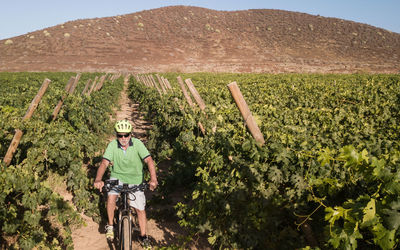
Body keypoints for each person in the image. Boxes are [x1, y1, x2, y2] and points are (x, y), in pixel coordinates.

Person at [94, 119, 158, 247]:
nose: (123, 138)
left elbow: (149, 161)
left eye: (126, 135)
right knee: (111, 198)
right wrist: (98, 179)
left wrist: (153, 179)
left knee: (140, 209)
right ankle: (111, 226)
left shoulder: (138, 144)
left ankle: (143, 236)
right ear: (116, 135)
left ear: (130, 134)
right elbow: (104, 163)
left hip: (135, 180)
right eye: (120, 135)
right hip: (117, 178)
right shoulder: (112, 145)